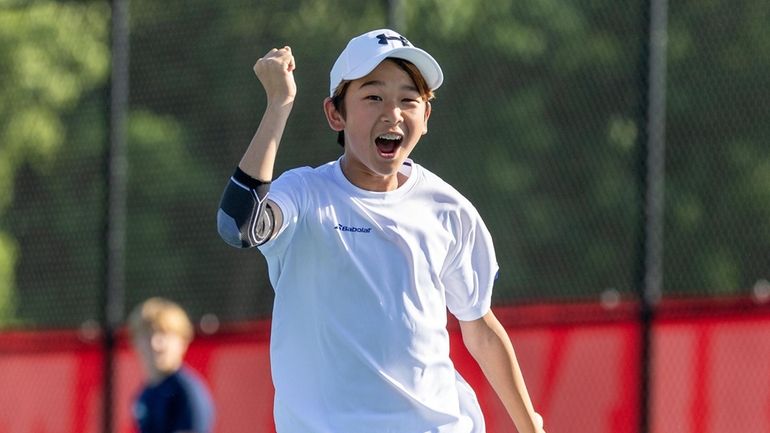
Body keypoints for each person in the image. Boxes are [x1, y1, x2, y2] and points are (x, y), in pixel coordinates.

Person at [217, 28, 545, 433]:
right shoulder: (303, 195)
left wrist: (531, 425)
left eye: (409, 99)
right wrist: (278, 105)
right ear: (335, 114)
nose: (393, 113)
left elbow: (479, 327)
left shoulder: (450, 210)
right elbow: (239, 224)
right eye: (373, 97)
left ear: (425, 118)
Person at [127, 297, 215, 433]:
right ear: (134, 343)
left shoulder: (186, 392)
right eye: (147, 335)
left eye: (164, 335)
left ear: (183, 341)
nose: (155, 344)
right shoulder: (144, 394)